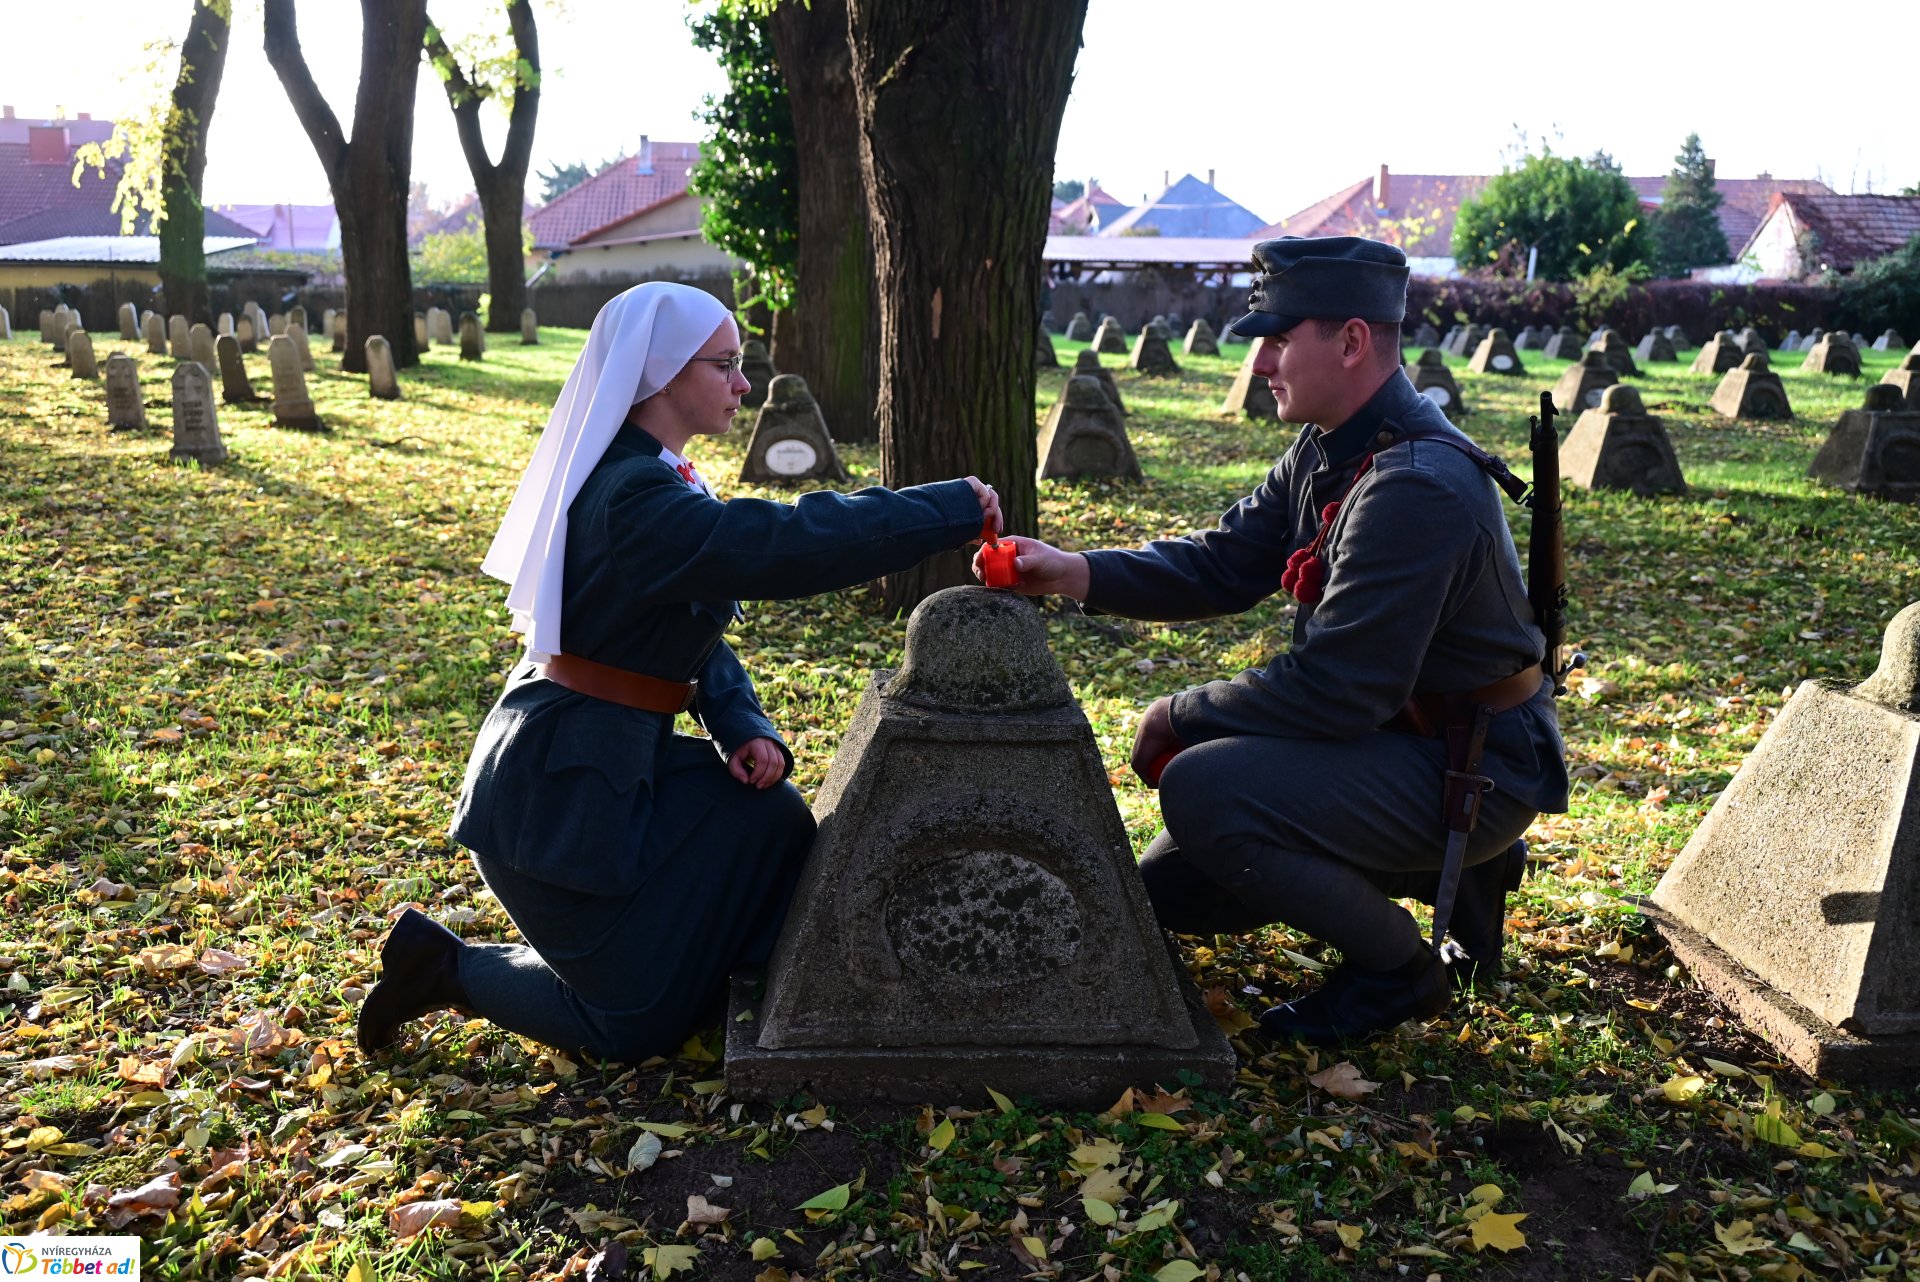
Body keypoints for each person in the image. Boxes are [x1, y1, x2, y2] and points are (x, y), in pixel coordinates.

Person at [358, 282, 1001, 1060]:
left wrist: (740, 721)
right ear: (662, 374)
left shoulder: (652, 471)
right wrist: (940, 510)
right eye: (725, 365)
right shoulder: (633, 495)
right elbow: (780, 545)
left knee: (766, 825)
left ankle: (737, 977)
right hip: (556, 793)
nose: (744, 385)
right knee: (632, 1024)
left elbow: (683, 626)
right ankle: (446, 968)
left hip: (611, 758)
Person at [981, 236, 1568, 1043]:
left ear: (1352, 340)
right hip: (1408, 739)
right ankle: (1457, 869)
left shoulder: (1413, 487)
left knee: (1204, 792)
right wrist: (1075, 570)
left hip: (1473, 764)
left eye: (1280, 337)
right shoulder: (1337, 444)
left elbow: (1338, 688)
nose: (1261, 362)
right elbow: (1225, 563)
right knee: (1174, 891)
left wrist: (1184, 716)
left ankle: (1398, 972)